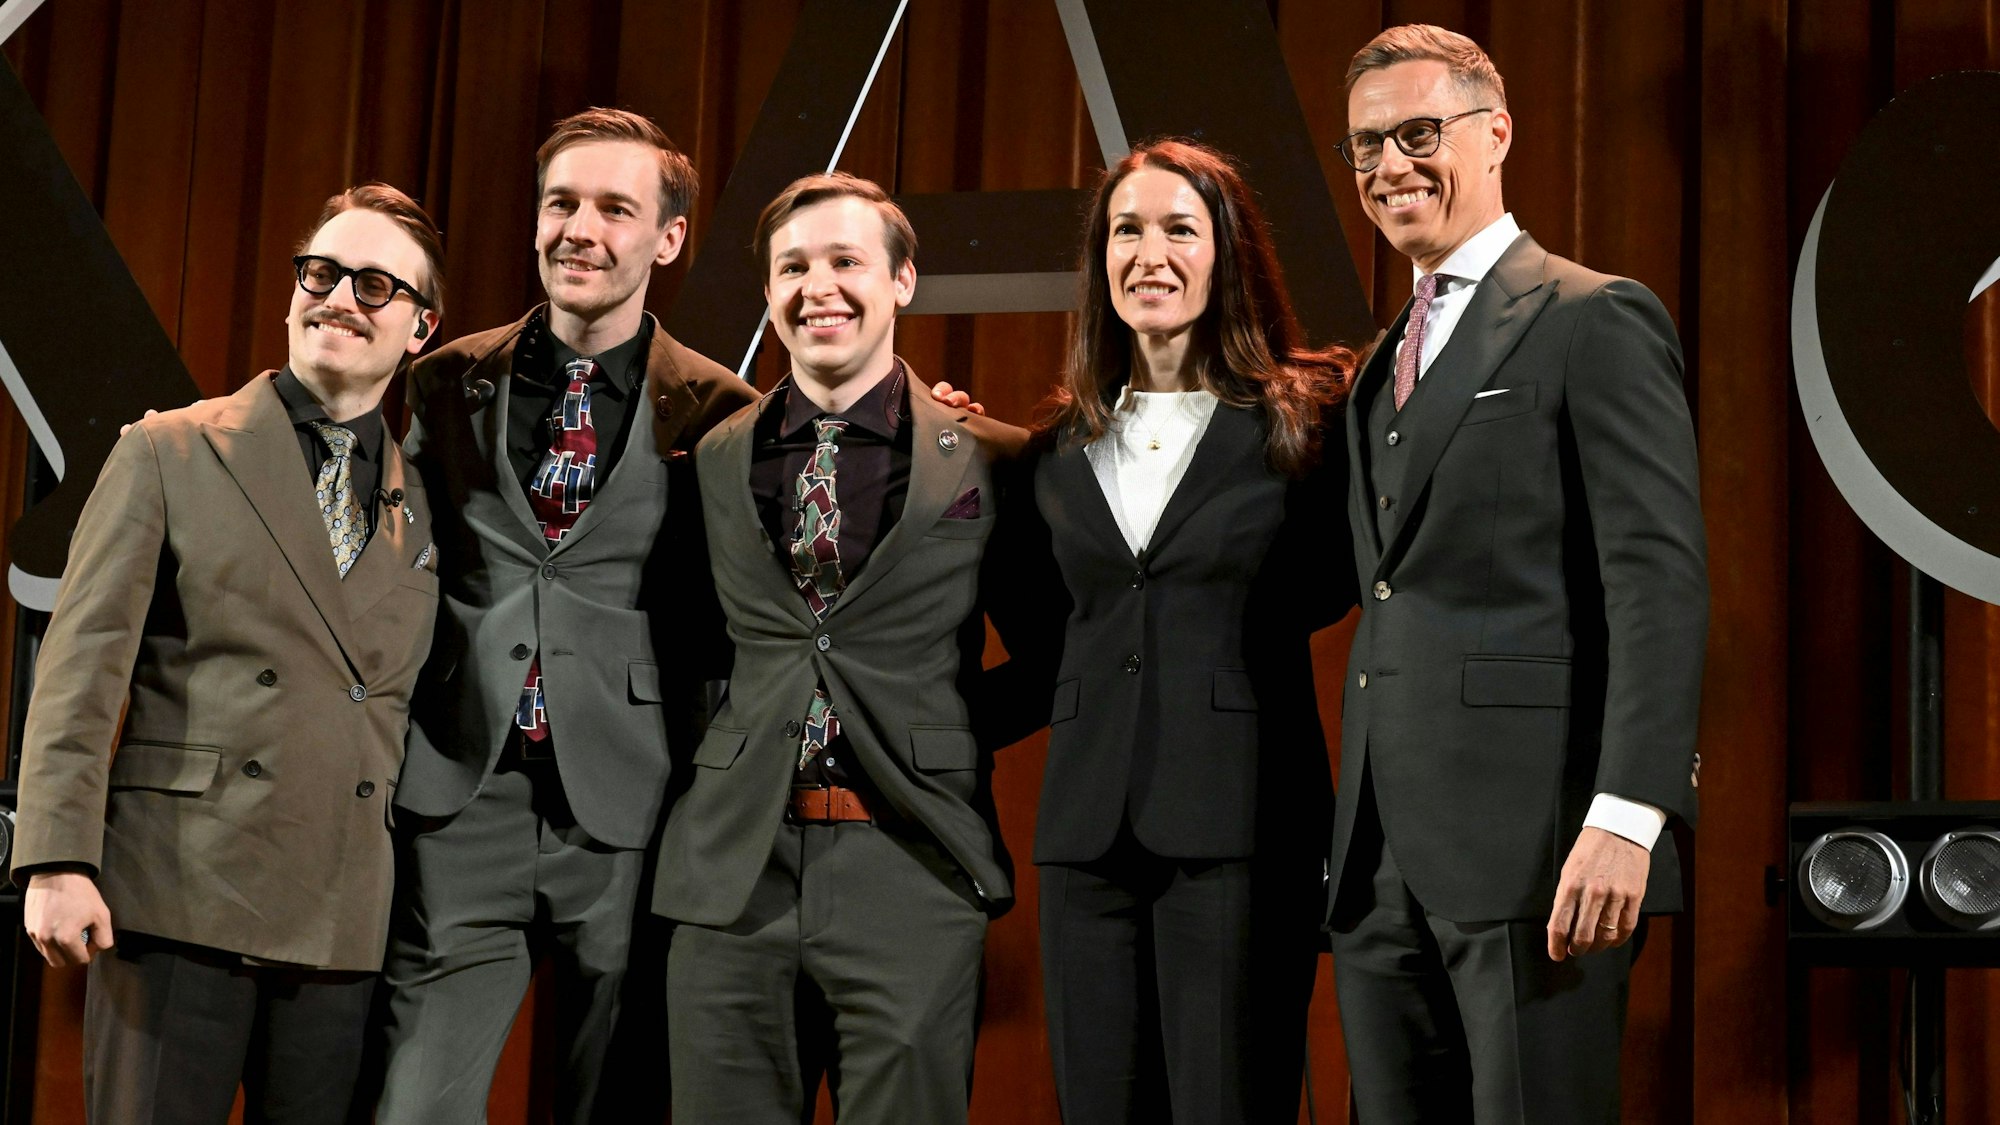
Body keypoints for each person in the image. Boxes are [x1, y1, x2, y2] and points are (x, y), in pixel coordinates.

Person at [1324, 25, 1708, 1123]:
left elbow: (1656, 580)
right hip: (1377, 862)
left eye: (1414, 133)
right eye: (1363, 147)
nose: (1388, 166)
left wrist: (1628, 813)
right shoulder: (1373, 366)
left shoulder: (1592, 317)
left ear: (1494, 134)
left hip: (1538, 848)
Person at [10, 183, 444, 1124]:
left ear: (421, 327)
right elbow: (82, 671)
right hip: (179, 899)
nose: (339, 299)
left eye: (375, 285)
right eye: (322, 274)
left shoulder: (429, 508)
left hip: (341, 921)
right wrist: (55, 858)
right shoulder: (170, 450)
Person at [650, 171, 1055, 1125]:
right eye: (793, 266)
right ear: (768, 292)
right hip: (731, 872)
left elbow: (1049, 659)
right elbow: (690, 650)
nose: (817, 285)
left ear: (903, 281)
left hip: (909, 859)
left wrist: (930, 731)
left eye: (845, 260)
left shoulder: (990, 457)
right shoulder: (710, 460)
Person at [377, 108, 756, 1123]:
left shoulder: (721, 410)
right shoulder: (444, 379)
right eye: (561, 203)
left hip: (631, 807)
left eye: (613, 208)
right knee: (415, 1105)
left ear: (667, 238)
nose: (579, 228)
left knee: (613, 1104)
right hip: (463, 792)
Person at [1027, 139, 1355, 1123]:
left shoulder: (1302, 426)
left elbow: (1328, 588)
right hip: (1085, 839)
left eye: (1179, 228)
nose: (1149, 252)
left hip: (1242, 829)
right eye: (1126, 229)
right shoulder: (1051, 448)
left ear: (1225, 254)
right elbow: (1056, 632)